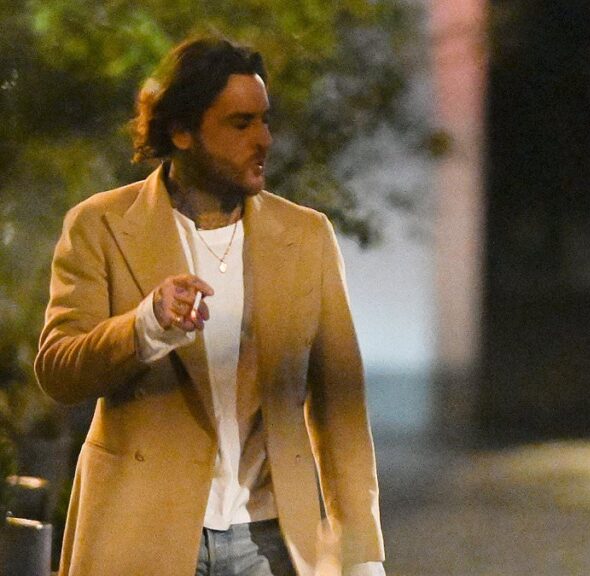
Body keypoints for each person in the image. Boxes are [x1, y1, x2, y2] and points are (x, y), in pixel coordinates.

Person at [35, 36, 386, 576]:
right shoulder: (100, 225)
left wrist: (361, 554)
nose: (264, 139)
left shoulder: (306, 236)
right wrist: (145, 326)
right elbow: (59, 372)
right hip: (141, 532)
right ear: (181, 131)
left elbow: (340, 405)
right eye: (241, 124)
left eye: (265, 121)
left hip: (270, 540)